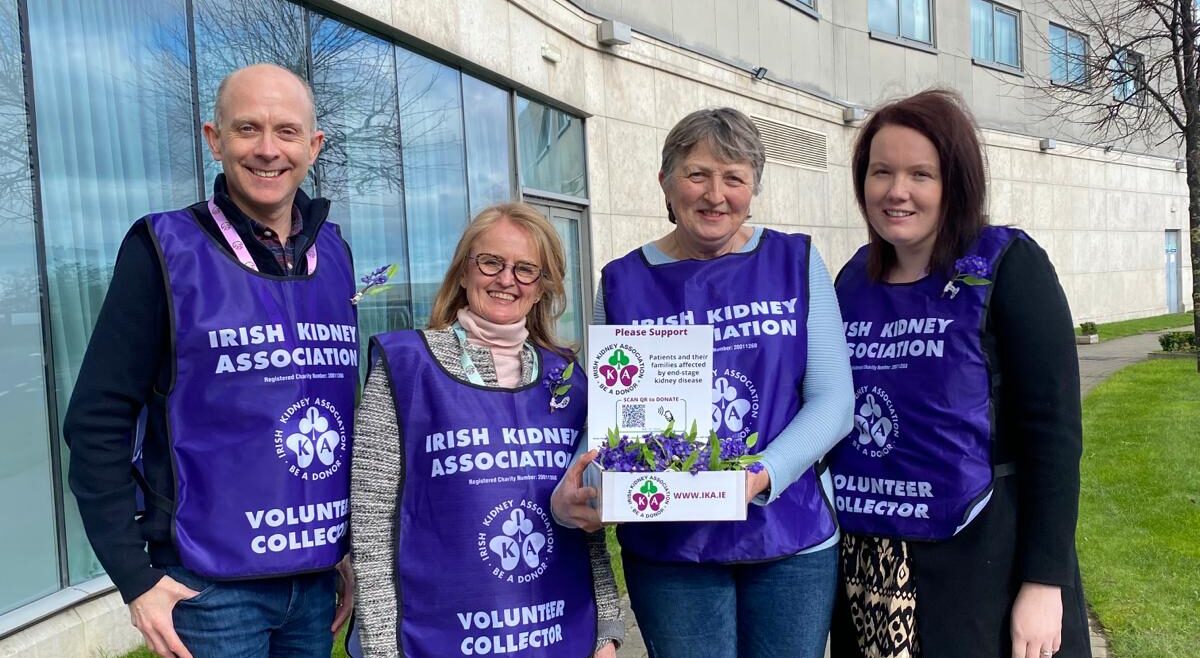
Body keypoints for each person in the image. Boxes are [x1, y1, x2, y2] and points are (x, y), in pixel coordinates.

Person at [65, 63, 356, 658]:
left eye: (287, 131)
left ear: (314, 146)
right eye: (247, 128)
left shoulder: (335, 254)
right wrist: (134, 577)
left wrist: (344, 545)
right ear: (214, 139)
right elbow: (97, 421)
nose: (268, 149)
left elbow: (338, 406)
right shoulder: (163, 248)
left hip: (314, 581)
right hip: (209, 588)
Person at [553, 107, 854, 658]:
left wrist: (760, 475)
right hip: (671, 546)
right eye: (697, 174)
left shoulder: (796, 261)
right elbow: (608, 414)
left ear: (753, 187)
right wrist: (582, 486)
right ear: (665, 182)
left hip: (789, 533)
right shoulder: (622, 282)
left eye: (734, 177)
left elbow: (833, 403)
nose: (716, 195)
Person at [827, 89, 1091, 658]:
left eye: (921, 174)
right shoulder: (851, 281)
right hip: (869, 565)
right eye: (881, 172)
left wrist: (1045, 582)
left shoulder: (1008, 266)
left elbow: (1054, 434)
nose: (897, 191)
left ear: (956, 182)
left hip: (984, 563)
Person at [348, 202, 623, 658]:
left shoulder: (570, 380)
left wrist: (606, 629)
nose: (506, 279)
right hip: (437, 640)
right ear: (463, 272)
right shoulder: (406, 368)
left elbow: (587, 520)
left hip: (557, 635)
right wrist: (381, 648)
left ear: (542, 287)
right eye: (491, 262)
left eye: (526, 269)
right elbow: (373, 523)